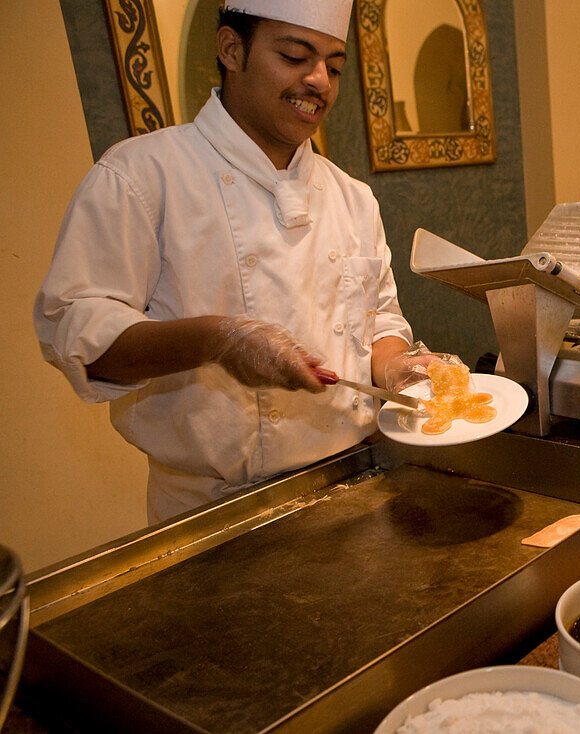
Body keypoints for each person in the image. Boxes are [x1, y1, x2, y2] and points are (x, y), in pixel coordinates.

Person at [34, 0, 420, 523]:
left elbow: (380, 321)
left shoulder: (352, 196)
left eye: (333, 65)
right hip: (211, 516)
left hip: (354, 488)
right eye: (294, 56)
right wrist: (218, 340)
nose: (319, 81)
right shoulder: (141, 176)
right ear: (232, 49)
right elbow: (79, 337)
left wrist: (395, 364)